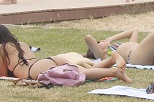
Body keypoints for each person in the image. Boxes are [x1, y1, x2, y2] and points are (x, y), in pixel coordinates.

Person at [0, 24, 131, 84]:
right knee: (86, 71)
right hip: (46, 61)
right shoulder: (21, 44)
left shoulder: (1, 49)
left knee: (81, 75)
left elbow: (3, 74)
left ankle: (114, 72)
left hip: (34, 70)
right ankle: (111, 60)